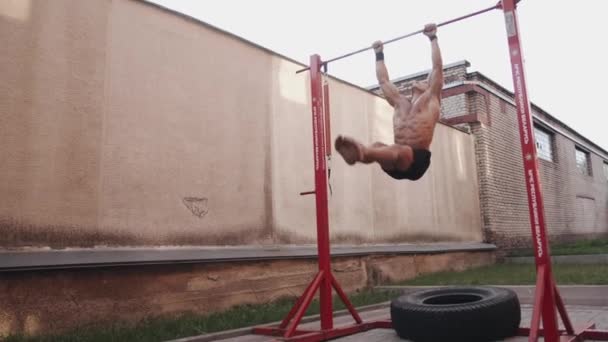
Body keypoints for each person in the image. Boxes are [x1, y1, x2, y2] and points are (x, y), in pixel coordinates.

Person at [334, 23, 443, 181]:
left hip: (416, 162)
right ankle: (359, 155)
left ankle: (363, 152)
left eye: (423, 80)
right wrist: (379, 54)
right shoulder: (399, 103)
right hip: (394, 162)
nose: (418, 81)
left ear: (429, 85)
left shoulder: (432, 98)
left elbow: (437, 68)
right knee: (379, 145)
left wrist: (433, 38)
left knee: (401, 150)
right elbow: (383, 81)